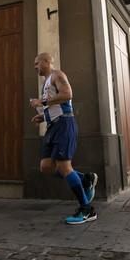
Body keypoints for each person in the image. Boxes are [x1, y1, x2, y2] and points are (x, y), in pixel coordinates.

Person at [30, 53, 98, 225]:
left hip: (64, 124)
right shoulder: (45, 83)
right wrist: (43, 117)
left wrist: (42, 103)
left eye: (37, 63)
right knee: (46, 166)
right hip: (53, 126)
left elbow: (67, 94)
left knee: (64, 166)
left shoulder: (57, 75)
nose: (35, 66)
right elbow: (55, 106)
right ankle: (85, 179)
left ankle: (86, 209)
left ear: (46, 62)